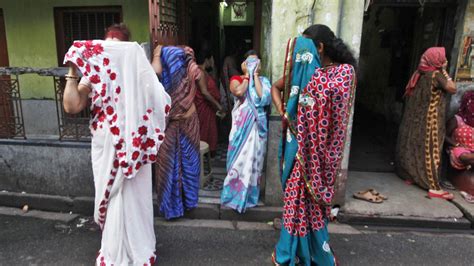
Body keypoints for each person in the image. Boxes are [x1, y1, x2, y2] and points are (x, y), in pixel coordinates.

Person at [62, 23, 171, 265]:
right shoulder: (96, 73)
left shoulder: (137, 71)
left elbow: (159, 95)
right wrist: (73, 67)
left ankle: (139, 248)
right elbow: (72, 105)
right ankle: (113, 249)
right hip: (106, 148)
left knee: (134, 200)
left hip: (134, 148)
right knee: (113, 201)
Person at [271, 24, 357, 266]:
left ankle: (317, 251)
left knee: (314, 207)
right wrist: (285, 112)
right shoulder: (301, 73)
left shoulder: (343, 74)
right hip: (298, 150)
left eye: (306, 48)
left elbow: (333, 116)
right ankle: (290, 251)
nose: (300, 55)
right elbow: (276, 89)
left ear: (319, 47)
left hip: (321, 154)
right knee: (294, 203)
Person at [396, 47, 456, 200]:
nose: (446, 61)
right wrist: (444, 71)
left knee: (414, 147)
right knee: (431, 151)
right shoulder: (436, 75)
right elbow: (452, 88)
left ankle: (412, 176)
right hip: (430, 121)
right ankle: (434, 188)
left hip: (416, 120)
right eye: (444, 59)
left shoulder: (419, 73)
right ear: (438, 61)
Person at [151, 44, 202, 220]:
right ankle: (173, 206)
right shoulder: (163, 80)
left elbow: (154, 70)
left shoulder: (186, 75)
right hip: (170, 125)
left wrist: (158, 56)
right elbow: (153, 72)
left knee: (188, 164)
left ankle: (186, 202)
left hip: (186, 125)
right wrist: (158, 57)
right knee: (167, 167)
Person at [220, 50, 271, 213]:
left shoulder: (263, 81)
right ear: (243, 64)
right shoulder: (236, 80)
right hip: (241, 126)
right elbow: (239, 92)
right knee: (238, 161)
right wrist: (247, 76)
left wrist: (255, 76)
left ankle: (249, 197)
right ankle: (233, 194)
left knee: (254, 162)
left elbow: (264, 98)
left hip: (258, 126)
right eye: (249, 62)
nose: (252, 65)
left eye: (256, 62)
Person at [446, 91, 474, 202]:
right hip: (459, 149)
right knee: (467, 157)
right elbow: (443, 136)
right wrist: (455, 144)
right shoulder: (457, 119)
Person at [195, 50, 224, 155]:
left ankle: (206, 152)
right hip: (204, 106)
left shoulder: (202, 71)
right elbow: (204, 92)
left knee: (208, 129)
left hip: (207, 107)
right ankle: (204, 153)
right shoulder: (200, 72)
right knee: (205, 129)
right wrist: (218, 106)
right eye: (211, 59)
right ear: (207, 60)